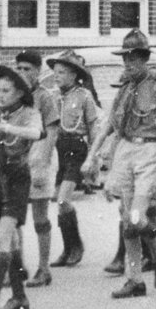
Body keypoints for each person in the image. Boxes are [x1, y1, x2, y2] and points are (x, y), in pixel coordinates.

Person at [84, 29, 156, 299]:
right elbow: (109, 126)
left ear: (145, 59)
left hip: (150, 150)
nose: (128, 64)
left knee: (136, 217)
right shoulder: (124, 89)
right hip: (125, 150)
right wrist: (93, 155)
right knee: (126, 220)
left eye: (134, 59)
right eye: (125, 59)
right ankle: (134, 279)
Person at [0, 64, 43, 309]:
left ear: (19, 93)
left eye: (6, 91)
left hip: (17, 178)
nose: (0, 94)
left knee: (3, 237)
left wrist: (7, 129)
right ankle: (19, 297)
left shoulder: (29, 112)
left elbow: (36, 133)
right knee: (12, 239)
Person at [45, 50, 99, 269]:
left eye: (62, 72)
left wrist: (94, 158)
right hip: (59, 148)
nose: (56, 76)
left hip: (76, 148)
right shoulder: (53, 95)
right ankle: (67, 249)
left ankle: (76, 246)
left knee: (63, 199)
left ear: (74, 75)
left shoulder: (84, 96)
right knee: (58, 198)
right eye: (55, 72)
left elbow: (94, 125)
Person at [12, 49, 59, 288]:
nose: (21, 73)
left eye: (27, 69)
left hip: (39, 155)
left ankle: (44, 268)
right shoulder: (14, 96)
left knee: (40, 216)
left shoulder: (44, 96)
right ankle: (18, 267)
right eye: (18, 68)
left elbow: (51, 131)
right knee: (14, 216)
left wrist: (43, 160)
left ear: (38, 71)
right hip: (17, 159)